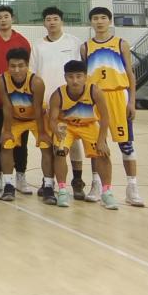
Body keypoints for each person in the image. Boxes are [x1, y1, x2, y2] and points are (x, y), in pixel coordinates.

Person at [82, 6, 144, 207]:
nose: (99, 21)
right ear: (91, 22)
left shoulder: (121, 44)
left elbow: (130, 73)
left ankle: (132, 187)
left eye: (103, 18)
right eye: (95, 18)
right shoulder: (85, 47)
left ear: (110, 21)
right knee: (96, 145)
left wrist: (132, 100)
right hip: (94, 97)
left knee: (126, 143)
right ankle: (97, 184)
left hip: (118, 96)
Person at [28, 6, 84, 202]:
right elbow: (32, 75)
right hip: (46, 103)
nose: (52, 22)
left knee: (73, 142)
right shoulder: (37, 46)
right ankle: (48, 181)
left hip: (71, 102)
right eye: (48, 19)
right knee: (49, 144)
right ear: (44, 23)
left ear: (62, 21)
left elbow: (80, 72)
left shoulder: (74, 42)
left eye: (55, 19)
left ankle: (77, 181)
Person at [0, 5, 34, 194]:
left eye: (6, 16)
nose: (3, 20)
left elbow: (28, 69)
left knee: (20, 142)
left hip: (20, 103)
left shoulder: (22, 41)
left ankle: (21, 176)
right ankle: (0, 176)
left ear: (12, 18)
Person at [48, 60, 118, 209]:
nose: (75, 80)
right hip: (66, 126)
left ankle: (107, 192)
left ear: (85, 77)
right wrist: (56, 131)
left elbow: (105, 117)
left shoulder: (95, 91)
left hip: (88, 124)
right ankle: (62, 190)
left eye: (79, 76)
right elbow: (52, 120)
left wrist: (102, 141)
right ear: (65, 77)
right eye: (71, 77)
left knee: (103, 152)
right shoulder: (58, 94)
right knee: (59, 151)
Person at [0, 48, 48, 202]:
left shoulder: (36, 82)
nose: (16, 70)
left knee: (46, 145)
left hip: (35, 118)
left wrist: (42, 132)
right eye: (13, 66)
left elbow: (38, 109)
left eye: (20, 66)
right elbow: (7, 106)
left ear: (27, 65)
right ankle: (8, 184)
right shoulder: (2, 79)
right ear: (8, 66)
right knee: (6, 144)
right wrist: (6, 130)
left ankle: (49, 185)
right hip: (16, 118)